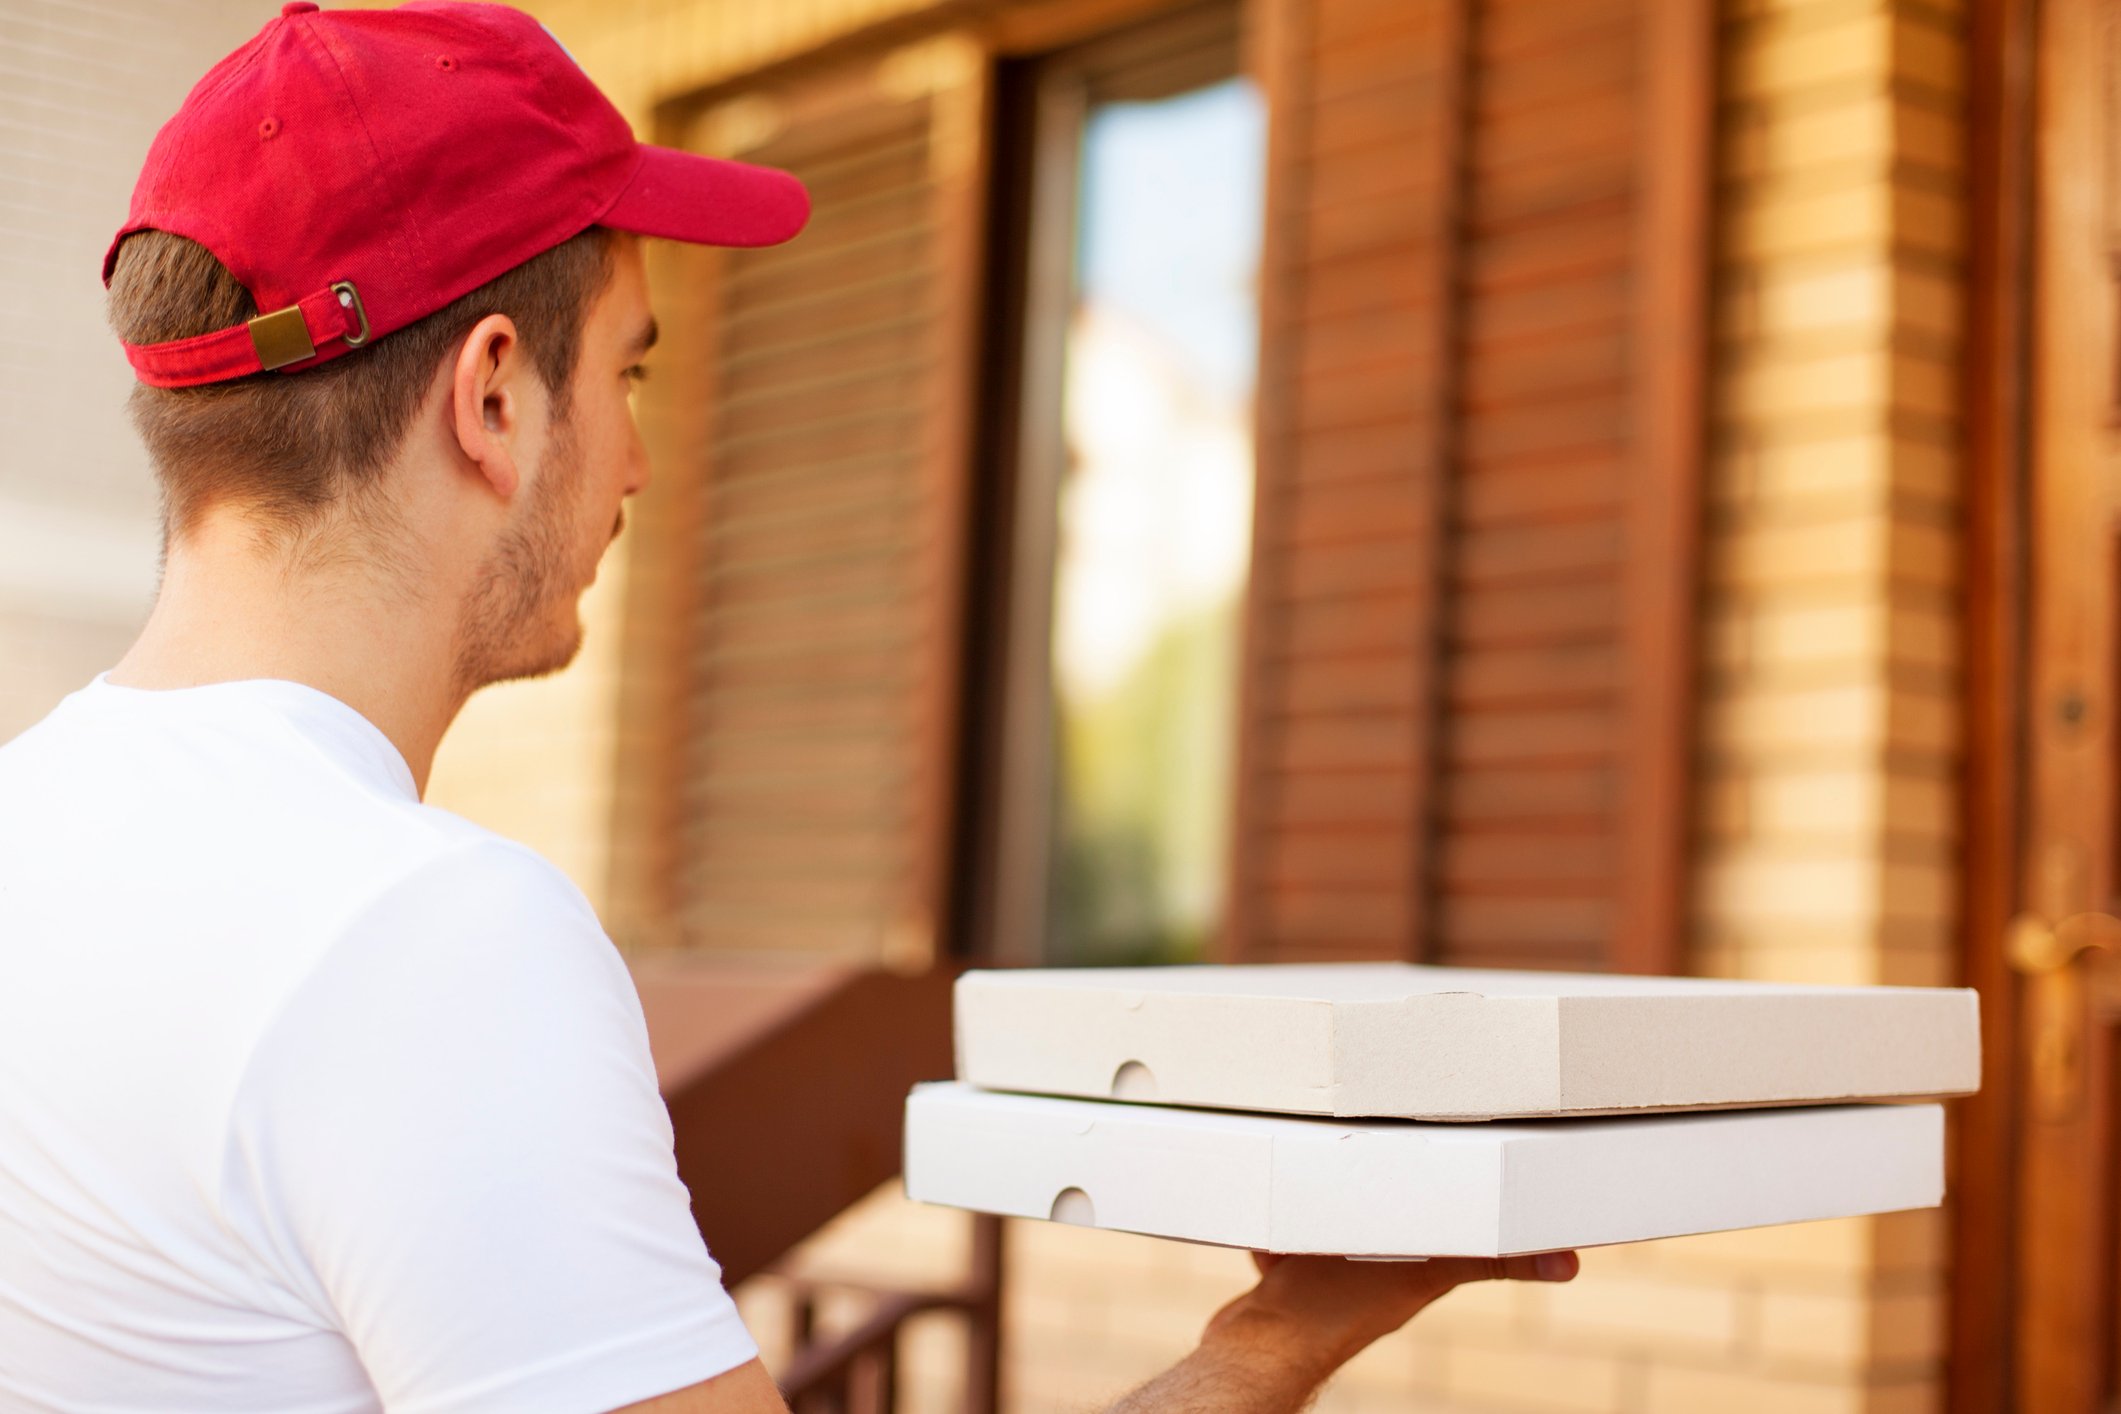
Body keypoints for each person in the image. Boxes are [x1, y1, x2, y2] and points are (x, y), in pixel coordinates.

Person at [0, 3, 1579, 1411]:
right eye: (629, 372)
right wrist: (1269, 1343)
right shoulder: (422, 938)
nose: (635, 461)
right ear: (491, 397)